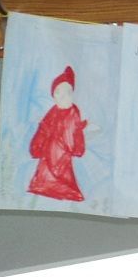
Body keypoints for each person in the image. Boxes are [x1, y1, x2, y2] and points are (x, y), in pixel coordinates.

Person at [27, 65, 88, 201]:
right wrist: (36, 147)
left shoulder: (73, 113)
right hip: (48, 157)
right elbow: (43, 130)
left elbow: (75, 134)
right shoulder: (52, 113)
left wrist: (77, 147)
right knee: (44, 180)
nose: (63, 96)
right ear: (53, 96)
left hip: (63, 156)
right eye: (58, 92)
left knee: (64, 180)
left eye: (67, 93)